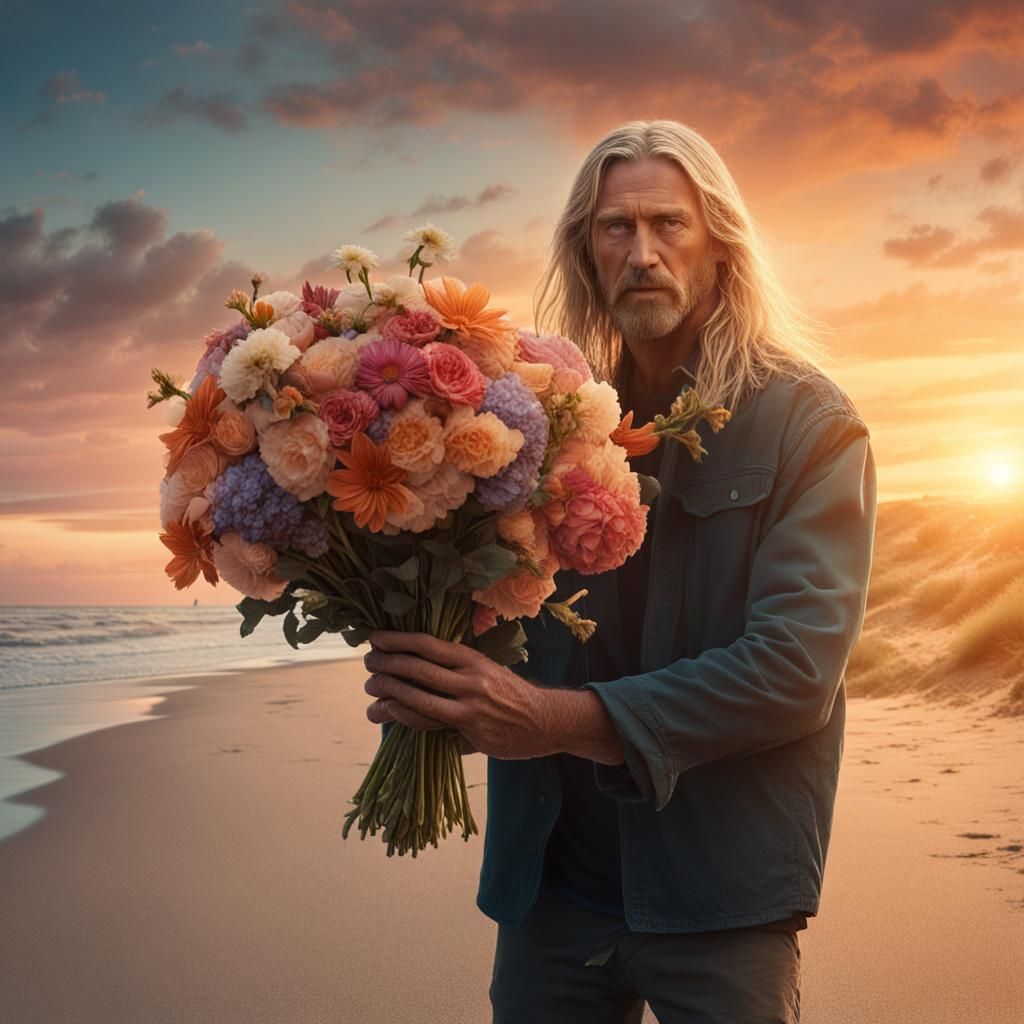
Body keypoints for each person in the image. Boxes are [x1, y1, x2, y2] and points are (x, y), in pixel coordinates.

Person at [362, 119, 877, 1023]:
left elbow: (797, 671)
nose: (642, 253)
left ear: (718, 242)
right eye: (615, 228)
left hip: (722, 895)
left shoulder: (811, 427)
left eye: (668, 225)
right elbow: (494, 612)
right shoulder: (534, 423)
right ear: (585, 251)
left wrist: (551, 719)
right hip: (550, 886)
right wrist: (432, 676)